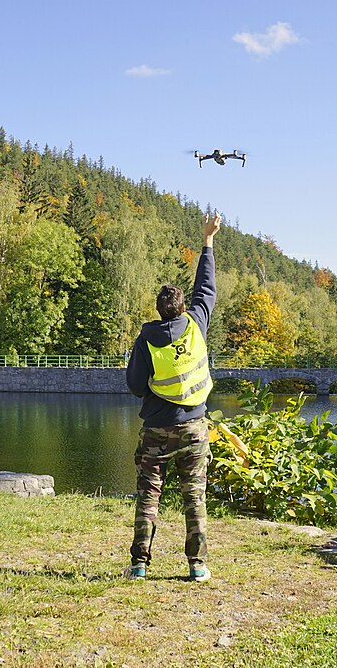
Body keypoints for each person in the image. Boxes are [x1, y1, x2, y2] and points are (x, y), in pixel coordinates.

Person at [124, 212, 221, 583]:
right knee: (194, 498)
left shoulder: (146, 340)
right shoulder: (196, 323)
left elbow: (135, 386)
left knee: (149, 497)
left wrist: (152, 390)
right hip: (195, 428)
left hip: (155, 430)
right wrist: (207, 241)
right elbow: (207, 288)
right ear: (182, 308)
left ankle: (139, 566)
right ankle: (197, 567)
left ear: (159, 310)